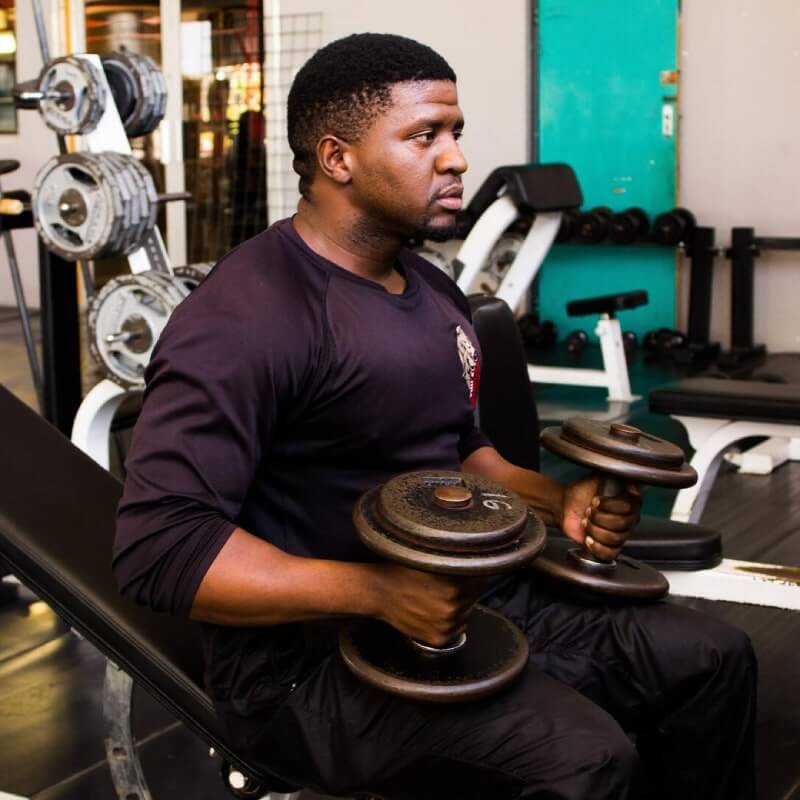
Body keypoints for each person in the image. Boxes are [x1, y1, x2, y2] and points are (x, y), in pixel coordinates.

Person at [114, 33, 756, 800]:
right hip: (307, 670)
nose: (456, 159)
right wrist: (377, 593)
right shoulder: (248, 318)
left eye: (456, 133)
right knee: (586, 763)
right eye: (425, 136)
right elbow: (160, 550)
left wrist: (558, 500)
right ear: (338, 158)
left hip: (464, 601)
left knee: (712, 660)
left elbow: (457, 452)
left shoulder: (432, 291)